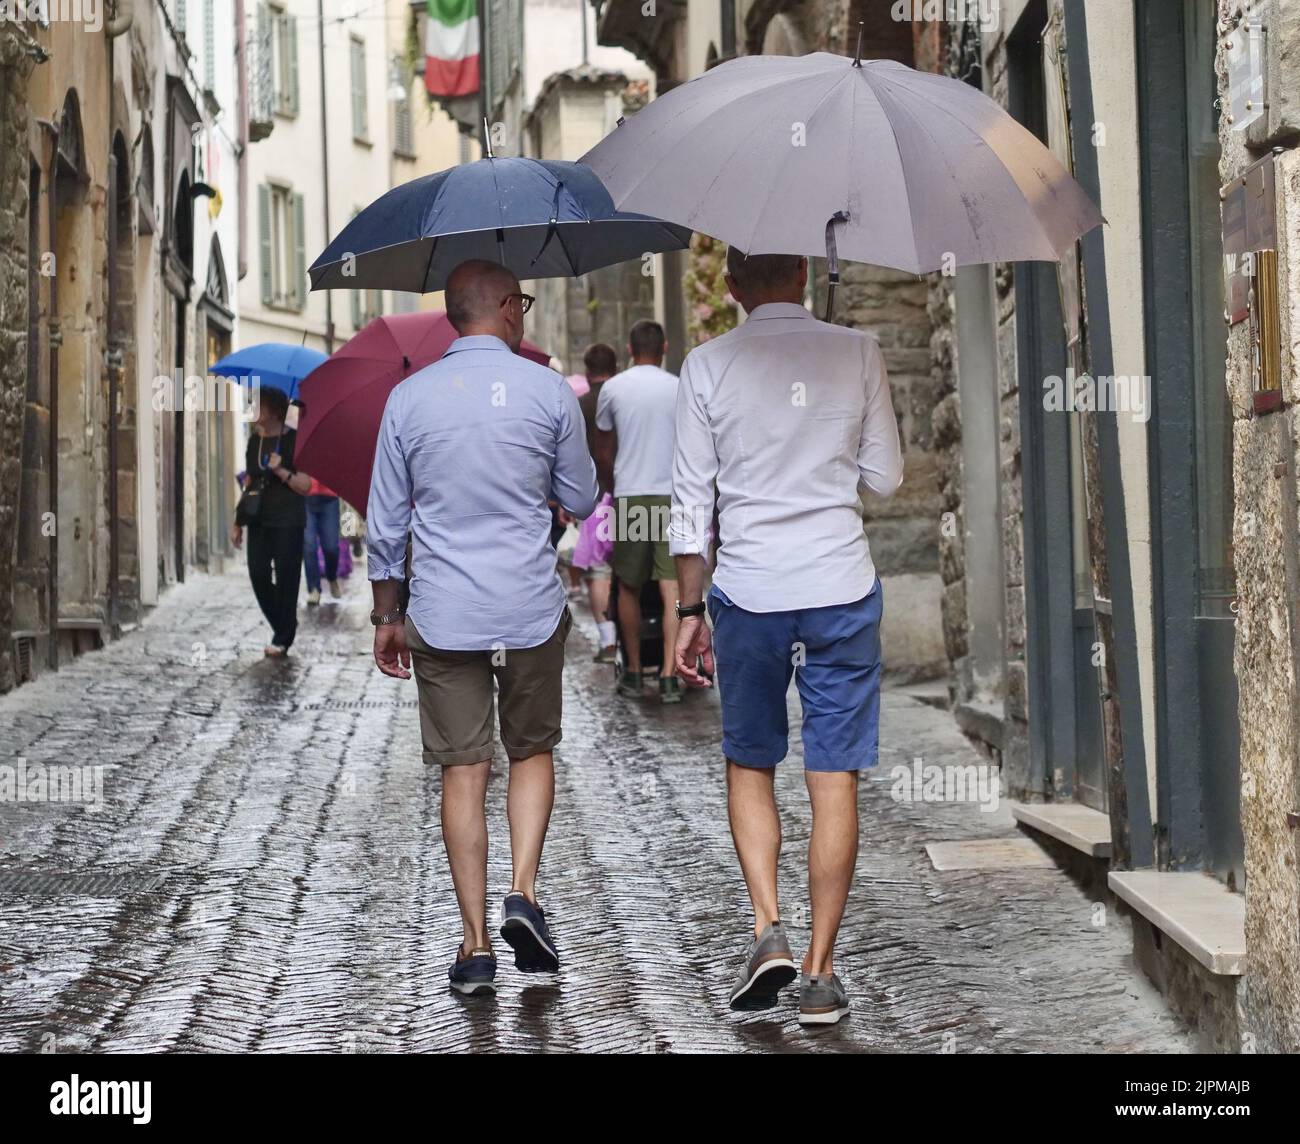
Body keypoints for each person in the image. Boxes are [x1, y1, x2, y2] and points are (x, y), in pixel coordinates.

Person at [669, 249, 903, 1027]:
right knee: (833, 776)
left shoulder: (706, 365)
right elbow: (887, 478)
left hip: (752, 592)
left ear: (732, 287)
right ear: (804, 275)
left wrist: (689, 612)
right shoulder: (859, 351)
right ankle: (821, 972)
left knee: (750, 759)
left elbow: (688, 505)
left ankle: (768, 926)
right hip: (838, 586)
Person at [367, 258, 599, 999]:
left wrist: (386, 615)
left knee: (462, 770)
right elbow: (583, 496)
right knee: (531, 750)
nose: (524, 312)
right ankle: (523, 892)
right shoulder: (546, 391)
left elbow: (385, 523)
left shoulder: (407, 400)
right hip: (527, 608)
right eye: (522, 302)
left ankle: (473, 946)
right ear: (504, 308)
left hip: (443, 613)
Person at [594, 320, 682, 704]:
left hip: (630, 494)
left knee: (627, 585)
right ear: (664, 347)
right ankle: (668, 674)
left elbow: (602, 448)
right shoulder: (680, 387)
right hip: (673, 495)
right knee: (672, 588)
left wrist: (613, 485)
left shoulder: (614, 388)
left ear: (629, 349)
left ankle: (631, 669)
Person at [230, 386, 313, 657]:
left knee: (288, 578)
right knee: (258, 574)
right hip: (258, 519)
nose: (253, 410)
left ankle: (282, 637)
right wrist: (237, 521)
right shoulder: (254, 442)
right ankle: (285, 623)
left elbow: (306, 485)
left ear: (274, 410)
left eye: (259, 405)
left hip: (289, 519)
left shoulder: (295, 441)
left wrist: (281, 470)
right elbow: (250, 482)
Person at [572, 343, 618, 662]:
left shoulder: (580, 404)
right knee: (629, 572)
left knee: (598, 570)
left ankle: (608, 640)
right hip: (628, 493)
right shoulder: (625, 399)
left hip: (593, 498)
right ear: (614, 369)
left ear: (587, 372)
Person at [302, 474, 342, 605]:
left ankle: (331, 577)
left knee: (331, 547)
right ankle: (314, 588)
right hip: (306, 496)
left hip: (329, 497)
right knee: (309, 546)